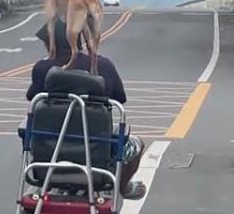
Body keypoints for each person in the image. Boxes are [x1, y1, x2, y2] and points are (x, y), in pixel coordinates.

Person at [25, 19, 147, 200]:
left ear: (50, 43)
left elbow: (32, 97)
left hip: (50, 151)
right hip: (95, 148)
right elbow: (120, 98)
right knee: (136, 144)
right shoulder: (102, 65)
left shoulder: (42, 68)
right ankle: (123, 187)